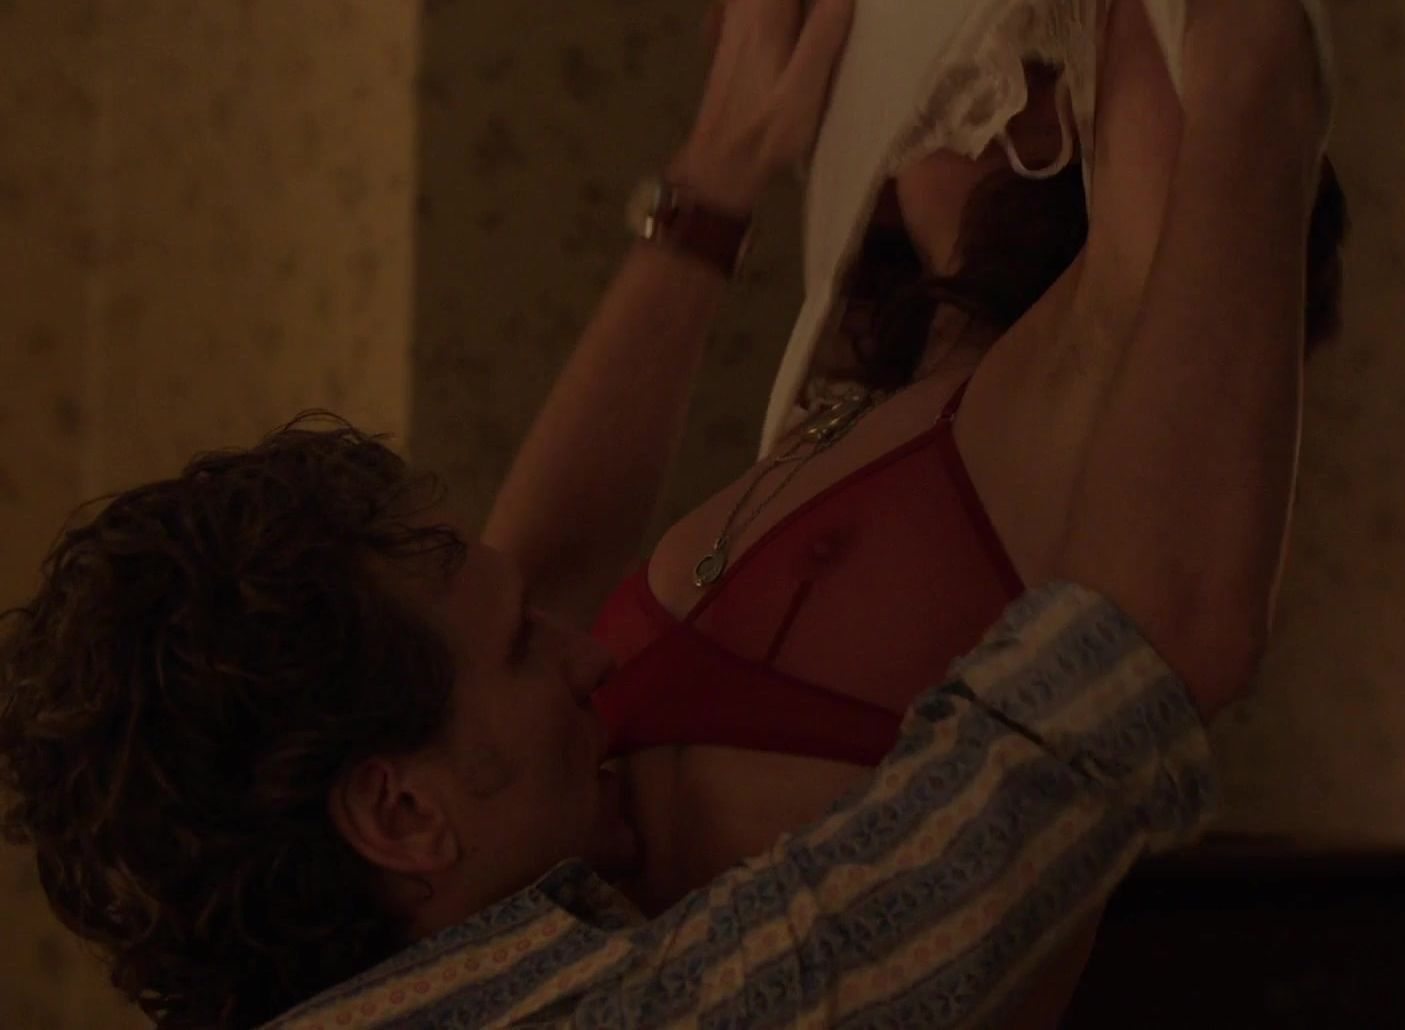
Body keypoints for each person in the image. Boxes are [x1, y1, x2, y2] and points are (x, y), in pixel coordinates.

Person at [0, 0, 1330, 1026]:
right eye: (523, 650)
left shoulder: (397, 933)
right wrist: (1260, 93)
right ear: (398, 816)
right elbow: (1151, 647)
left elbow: (532, 575)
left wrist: (718, 175)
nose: (583, 652)